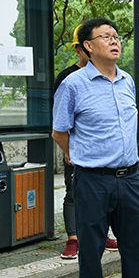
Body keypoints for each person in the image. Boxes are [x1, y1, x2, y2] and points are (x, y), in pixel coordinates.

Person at [53, 18, 139, 278]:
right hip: (93, 181)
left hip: (130, 179)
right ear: (88, 46)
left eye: (116, 36)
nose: (115, 41)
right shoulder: (73, 84)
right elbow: (59, 132)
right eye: (106, 37)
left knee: (134, 245)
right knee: (91, 250)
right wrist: (78, 156)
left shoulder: (127, 80)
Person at [53, 24, 118, 260]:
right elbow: (60, 121)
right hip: (75, 147)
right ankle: (73, 238)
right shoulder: (68, 78)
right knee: (73, 192)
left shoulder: (114, 76)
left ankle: (102, 233)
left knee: (106, 196)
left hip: (104, 157)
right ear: (82, 48)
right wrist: (69, 150)